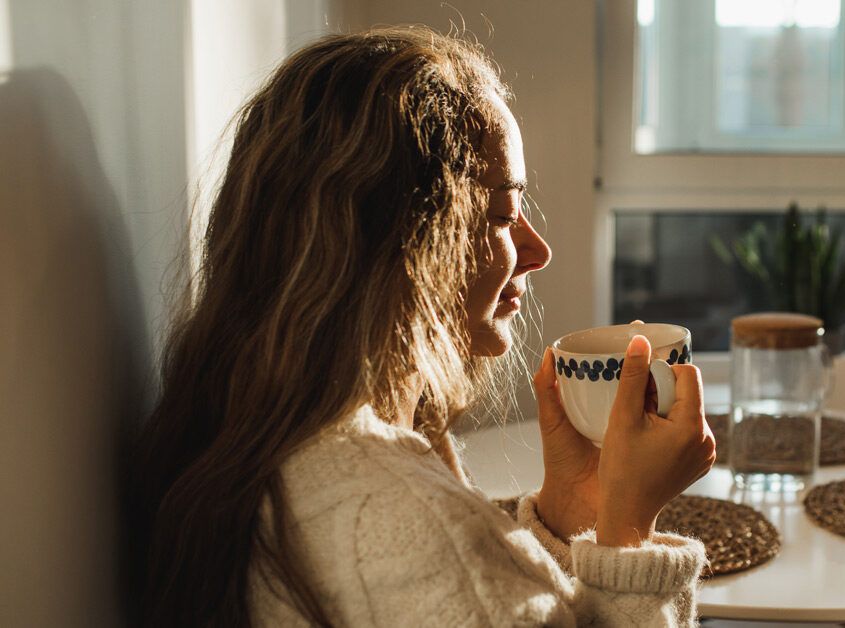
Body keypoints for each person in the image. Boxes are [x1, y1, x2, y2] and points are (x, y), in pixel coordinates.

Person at [131, 26, 716, 627]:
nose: (537, 251)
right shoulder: (404, 520)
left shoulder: (264, 442)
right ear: (403, 245)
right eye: (501, 213)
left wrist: (573, 508)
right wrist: (627, 533)